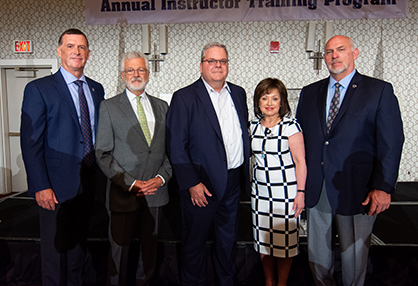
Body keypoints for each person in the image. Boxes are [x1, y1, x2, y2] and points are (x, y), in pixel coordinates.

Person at [296, 35, 404, 286]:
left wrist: (384, 186)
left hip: (359, 190)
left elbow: (392, 142)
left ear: (354, 53)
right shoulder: (310, 93)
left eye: (340, 49)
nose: (334, 55)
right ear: (324, 58)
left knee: (354, 257)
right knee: (317, 256)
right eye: (329, 51)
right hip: (317, 188)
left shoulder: (378, 90)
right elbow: (302, 140)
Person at [20, 29, 105, 285]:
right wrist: (41, 185)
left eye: (81, 47)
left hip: (88, 183)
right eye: (70, 46)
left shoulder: (96, 89)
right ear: (59, 51)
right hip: (55, 186)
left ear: (88, 54)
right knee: (55, 252)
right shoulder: (39, 89)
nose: (76, 52)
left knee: (78, 247)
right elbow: (30, 143)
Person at [165, 42, 250, 286]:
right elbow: (176, 146)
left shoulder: (239, 92)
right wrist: (192, 183)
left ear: (227, 66)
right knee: (194, 246)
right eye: (211, 61)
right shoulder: (184, 97)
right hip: (201, 186)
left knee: (228, 243)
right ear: (201, 66)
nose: (217, 66)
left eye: (222, 61)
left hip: (233, 183)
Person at [95, 51, 171, 286]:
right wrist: (130, 182)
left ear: (148, 74)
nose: (136, 74)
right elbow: (102, 152)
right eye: (131, 70)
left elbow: (172, 151)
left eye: (141, 70)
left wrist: (161, 178)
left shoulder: (163, 106)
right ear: (122, 74)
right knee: (120, 254)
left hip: (155, 193)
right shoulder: (108, 107)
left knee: (149, 255)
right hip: (123, 194)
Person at [250, 78, 306, 286]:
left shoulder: (291, 127)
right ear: (258, 102)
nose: (269, 102)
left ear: (282, 101)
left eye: (275, 98)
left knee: (284, 244)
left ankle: (282, 283)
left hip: (285, 194)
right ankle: (268, 281)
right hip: (260, 194)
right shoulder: (252, 127)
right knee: (264, 243)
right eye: (264, 98)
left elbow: (301, 162)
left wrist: (301, 192)